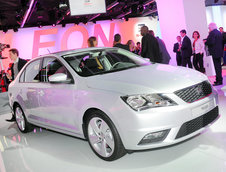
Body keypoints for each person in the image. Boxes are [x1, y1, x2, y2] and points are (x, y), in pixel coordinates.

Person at [6, 48, 27, 122]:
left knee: (22, 101)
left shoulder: (23, 62)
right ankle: (14, 116)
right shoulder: (12, 65)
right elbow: (14, 76)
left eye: (10, 54)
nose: (9, 56)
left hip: (21, 85)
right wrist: (10, 77)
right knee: (12, 101)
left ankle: (24, 116)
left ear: (15, 54)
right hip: (15, 85)